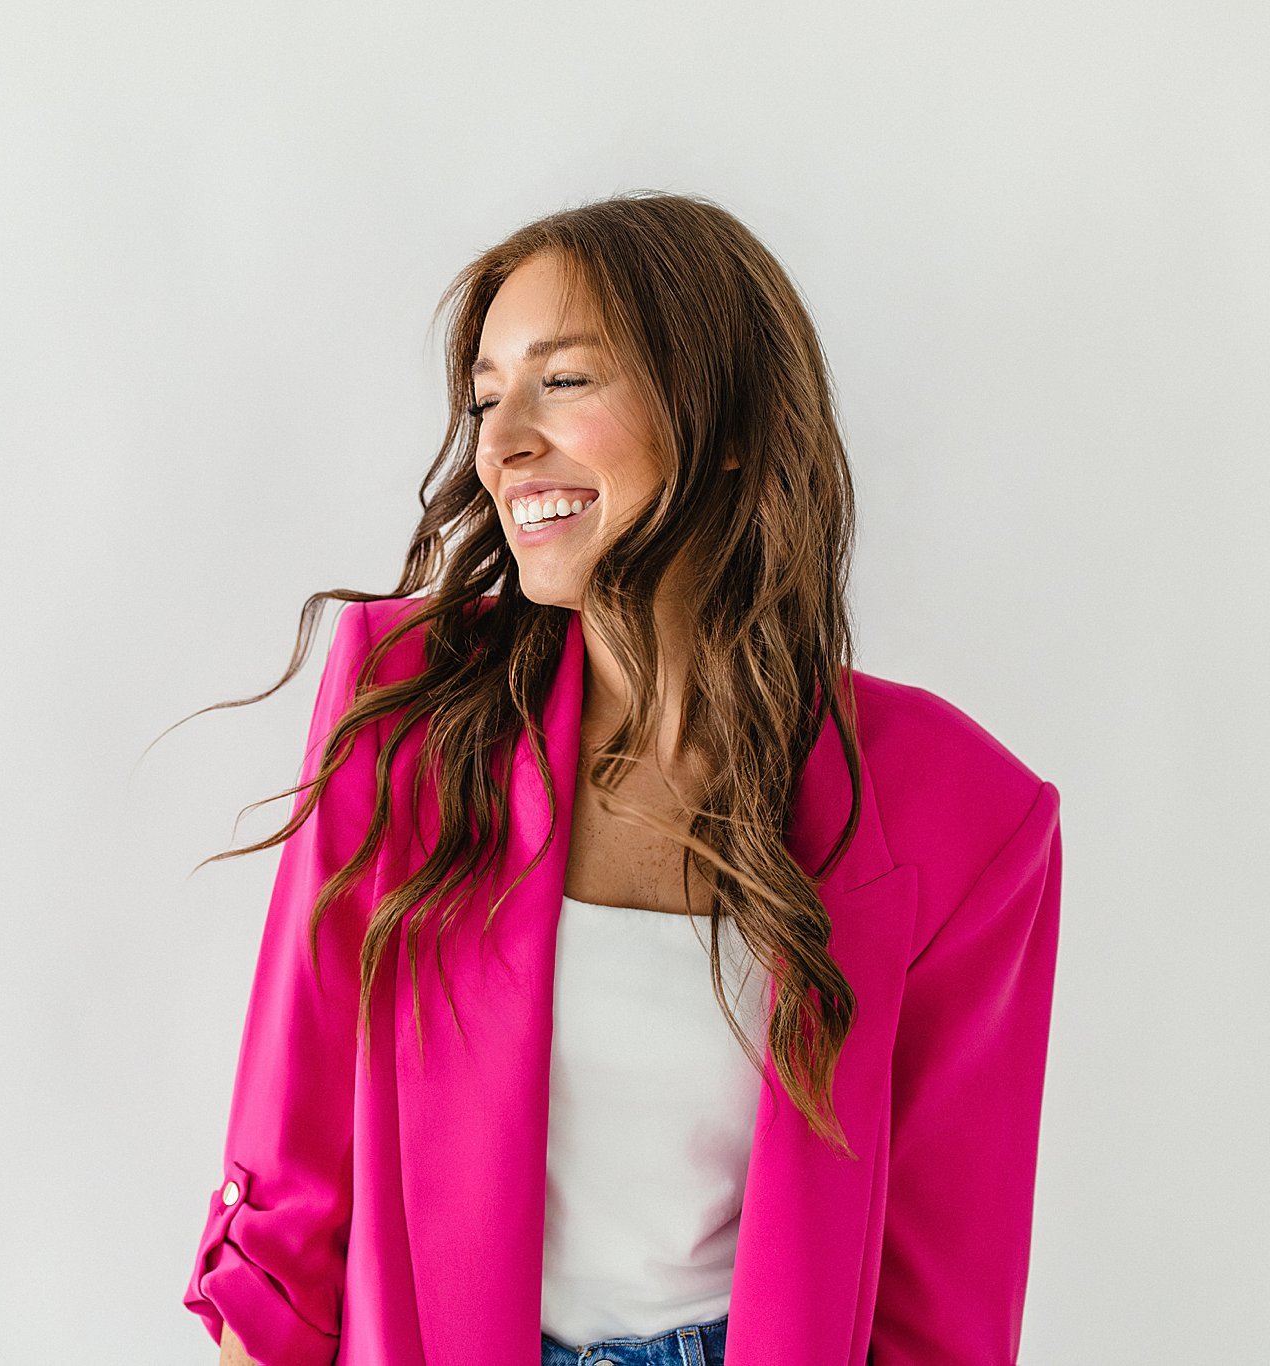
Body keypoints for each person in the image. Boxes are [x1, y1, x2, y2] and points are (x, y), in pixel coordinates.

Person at [179, 191, 1063, 1366]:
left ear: (728, 417)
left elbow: (939, 1302)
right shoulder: (407, 703)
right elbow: (286, 1191)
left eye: (563, 380)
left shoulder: (964, 814)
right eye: (487, 397)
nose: (498, 445)